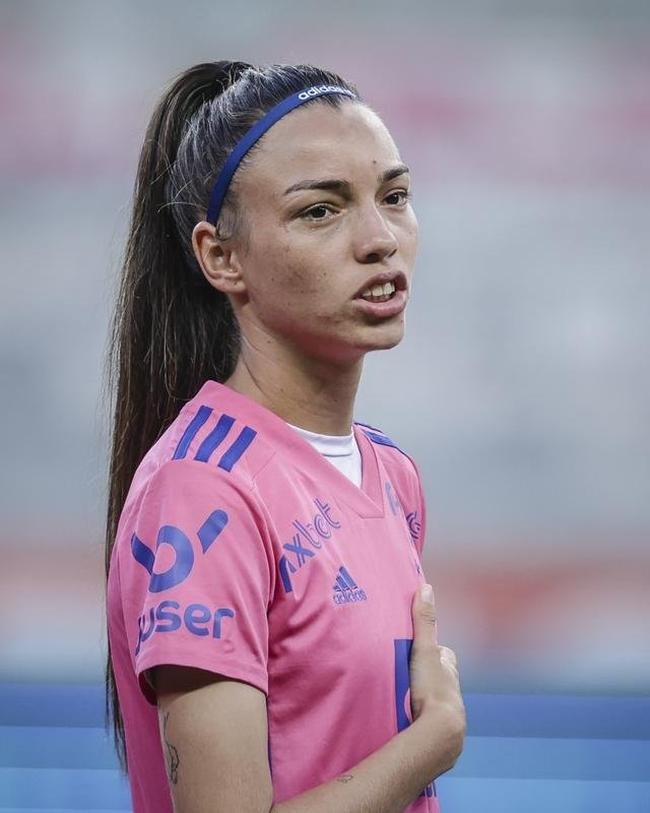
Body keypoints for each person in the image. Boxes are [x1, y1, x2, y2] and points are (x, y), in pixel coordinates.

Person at [104, 60, 466, 813]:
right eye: (320, 211)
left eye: (394, 197)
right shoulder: (202, 491)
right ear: (220, 256)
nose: (380, 240)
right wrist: (430, 744)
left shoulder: (391, 474)